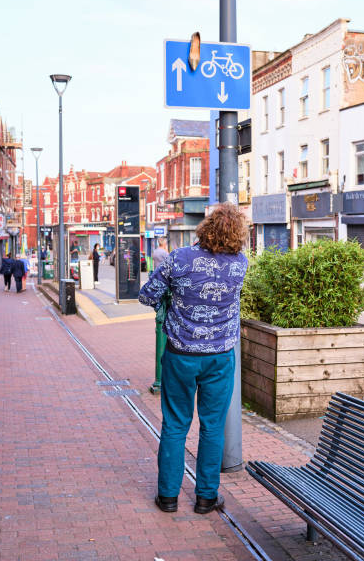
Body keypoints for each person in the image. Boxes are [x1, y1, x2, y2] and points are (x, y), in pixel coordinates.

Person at [139, 203, 248, 516]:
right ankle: (205, 498)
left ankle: (168, 497)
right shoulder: (240, 263)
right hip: (219, 356)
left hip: (181, 354)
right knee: (212, 427)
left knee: (175, 425)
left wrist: (171, 299)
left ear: (206, 228)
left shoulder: (179, 258)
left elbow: (147, 295)